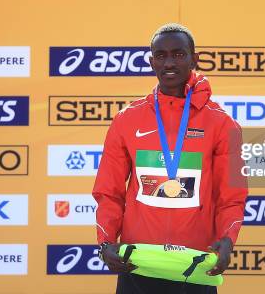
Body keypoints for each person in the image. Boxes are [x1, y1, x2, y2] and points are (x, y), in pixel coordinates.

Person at [92, 23, 247, 294]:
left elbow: (231, 195)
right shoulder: (126, 119)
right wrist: (105, 242)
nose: (169, 63)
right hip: (139, 263)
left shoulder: (223, 124)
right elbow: (109, 191)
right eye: (161, 56)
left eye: (178, 54)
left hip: (194, 263)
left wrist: (227, 239)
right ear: (152, 61)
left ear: (194, 59)